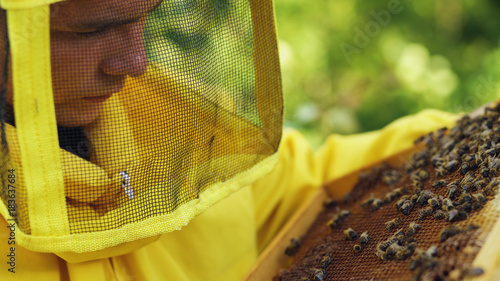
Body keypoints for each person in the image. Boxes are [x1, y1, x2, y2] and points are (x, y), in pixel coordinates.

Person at [0, 0, 458, 280]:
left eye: (146, 14)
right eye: (91, 29)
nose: (135, 61)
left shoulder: (167, 118)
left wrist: (470, 131)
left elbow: (318, 185)